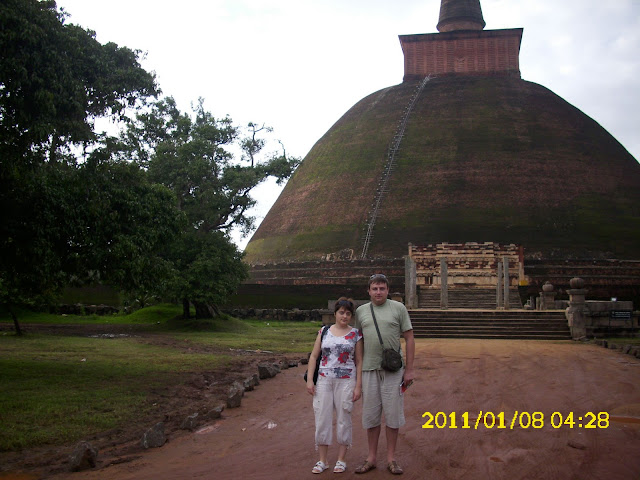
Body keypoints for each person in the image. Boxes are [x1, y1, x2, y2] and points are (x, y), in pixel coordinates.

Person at [354, 274, 415, 475]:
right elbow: (358, 341)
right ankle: (371, 457)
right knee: (371, 417)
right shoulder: (361, 311)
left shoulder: (398, 308)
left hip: (393, 371)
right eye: (374, 288)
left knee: (393, 416)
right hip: (369, 369)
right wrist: (358, 369)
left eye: (382, 288)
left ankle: (391, 458)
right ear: (368, 291)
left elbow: (409, 337)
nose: (378, 292)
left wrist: (410, 369)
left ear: (388, 290)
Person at [306, 297, 363, 474]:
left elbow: (360, 361)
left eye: (347, 313)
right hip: (324, 380)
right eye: (341, 312)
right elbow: (314, 356)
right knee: (322, 418)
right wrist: (310, 380)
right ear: (335, 314)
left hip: (346, 380)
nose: (344, 316)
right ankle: (322, 460)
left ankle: (341, 459)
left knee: (344, 417)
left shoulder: (356, 334)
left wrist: (358, 386)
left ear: (351, 316)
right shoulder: (324, 331)